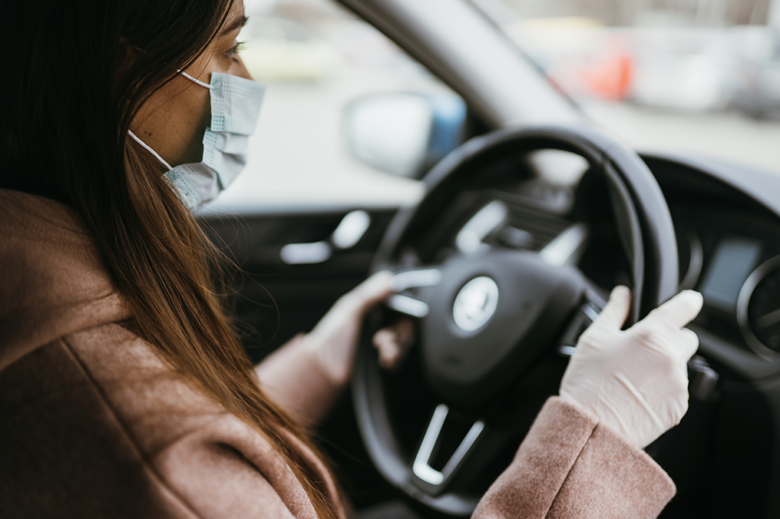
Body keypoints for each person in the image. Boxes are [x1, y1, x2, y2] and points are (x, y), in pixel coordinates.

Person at [0, 0, 703, 517]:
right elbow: (179, 458)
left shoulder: (38, 289)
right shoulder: (157, 461)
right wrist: (597, 432)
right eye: (225, 48)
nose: (244, 78)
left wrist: (326, 359)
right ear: (119, 64)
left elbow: (200, 440)